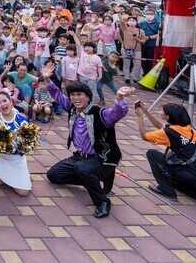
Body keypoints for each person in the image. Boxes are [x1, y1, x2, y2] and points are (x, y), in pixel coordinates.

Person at [46, 77, 136, 218]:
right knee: (54, 175)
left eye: (79, 94)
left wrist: (119, 98)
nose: (75, 98)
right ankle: (92, 179)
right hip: (81, 157)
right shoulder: (72, 108)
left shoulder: (99, 113)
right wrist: (47, 79)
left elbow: (117, 113)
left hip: (101, 159)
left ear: (88, 97)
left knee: (82, 168)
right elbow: (57, 95)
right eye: (73, 95)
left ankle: (103, 202)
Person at [135, 101, 196, 206]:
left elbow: (145, 136)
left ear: (168, 117)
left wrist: (140, 117)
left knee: (153, 154)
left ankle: (166, 190)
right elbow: (161, 127)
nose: (160, 111)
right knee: (174, 174)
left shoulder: (171, 132)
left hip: (195, 176)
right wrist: (146, 112)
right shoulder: (189, 129)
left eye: (162, 110)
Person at [0, 90, 32, 196]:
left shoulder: (22, 120)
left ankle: (19, 175)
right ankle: (11, 176)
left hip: (16, 159)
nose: (2, 104)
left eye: (4, 101)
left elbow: (28, 143)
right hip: (0, 158)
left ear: (10, 101)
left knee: (23, 193)